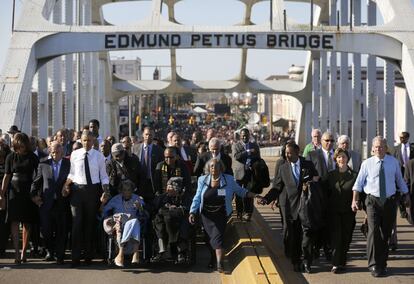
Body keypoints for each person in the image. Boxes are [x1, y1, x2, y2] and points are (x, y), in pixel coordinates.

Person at [189, 158, 263, 272]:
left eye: (216, 166)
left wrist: (255, 196)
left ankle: (219, 263)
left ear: (221, 168)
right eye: (212, 166)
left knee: (217, 238)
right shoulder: (202, 180)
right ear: (208, 168)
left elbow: (241, 191)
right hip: (206, 215)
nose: (214, 168)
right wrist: (192, 211)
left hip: (221, 214)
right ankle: (213, 258)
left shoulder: (228, 179)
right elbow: (198, 197)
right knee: (208, 240)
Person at [352, 136, 410, 277]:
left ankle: (382, 263)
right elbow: (358, 184)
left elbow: (399, 180)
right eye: (376, 147)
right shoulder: (367, 164)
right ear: (372, 149)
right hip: (372, 201)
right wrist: (355, 200)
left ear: (386, 148)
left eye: (381, 146)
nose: (378, 149)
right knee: (373, 232)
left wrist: (406, 194)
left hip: (389, 201)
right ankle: (373, 264)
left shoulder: (393, 162)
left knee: (385, 233)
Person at [259, 142, 318, 273]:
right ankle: (296, 261)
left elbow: (317, 179)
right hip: (291, 209)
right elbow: (277, 187)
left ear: (297, 152)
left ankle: (307, 262)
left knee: (307, 237)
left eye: (289, 153)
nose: (287, 155)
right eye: (286, 153)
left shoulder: (307, 165)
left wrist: (311, 183)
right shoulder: (283, 168)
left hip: (307, 207)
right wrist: (267, 199)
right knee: (294, 237)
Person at [62, 130, 110, 267]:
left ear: (93, 140)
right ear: (81, 141)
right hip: (77, 191)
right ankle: (75, 258)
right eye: (84, 140)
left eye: (89, 140)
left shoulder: (99, 156)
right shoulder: (75, 155)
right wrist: (66, 185)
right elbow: (71, 173)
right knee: (76, 223)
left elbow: (104, 176)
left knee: (89, 224)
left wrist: (105, 191)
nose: (86, 143)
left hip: (93, 192)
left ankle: (88, 256)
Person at [0, 133, 39, 264]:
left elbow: (38, 176)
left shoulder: (33, 157)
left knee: (27, 222)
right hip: (13, 192)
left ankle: (24, 252)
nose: (21, 147)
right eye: (18, 145)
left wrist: (36, 193)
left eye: (23, 144)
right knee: (14, 222)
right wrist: (2, 193)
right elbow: (7, 176)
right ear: (15, 144)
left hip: (29, 191)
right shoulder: (10, 157)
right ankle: (16, 252)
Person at [30, 142, 70, 264]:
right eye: (52, 152)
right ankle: (50, 252)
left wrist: (68, 189)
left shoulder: (68, 164)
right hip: (46, 202)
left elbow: (73, 179)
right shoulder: (43, 163)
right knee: (46, 230)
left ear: (62, 152)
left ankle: (60, 254)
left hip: (62, 202)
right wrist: (33, 196)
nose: (54, 154)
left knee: (61, 230)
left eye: (57, 152)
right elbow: (36, 182)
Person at [321, 148, 357, 273]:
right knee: (336, 238)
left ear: (348, 159)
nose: (341, 159)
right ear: (335, 159)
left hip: (348, 212)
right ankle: (336, 264)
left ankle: (342, 261)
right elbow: (323, 192)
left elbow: (359, 193)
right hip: (333, 212)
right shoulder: (330, 175)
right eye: (339, 157)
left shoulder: (354, 175)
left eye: (344, 157)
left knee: (346, 238)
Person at [102, 179, 145, 267]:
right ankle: (135, 253)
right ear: (121, 190)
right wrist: (103, 203)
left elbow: (144, 214)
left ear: (132, 190)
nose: (126, 192)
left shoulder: (137, 198)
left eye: (129, 190)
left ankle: (121, 252)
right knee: (131, 221)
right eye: (124, 190)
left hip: (131, 225)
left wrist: (140, 208)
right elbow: (104, 212)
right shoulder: (115, 199)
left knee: (134, 221)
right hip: (119, 223)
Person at [152, 177, 191, 264]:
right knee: (158, 220)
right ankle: (161, 250)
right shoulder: (162, 197)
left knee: (182, 223)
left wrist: (176, 209)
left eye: (170, 187)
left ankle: (181, 252)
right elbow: (155, 208)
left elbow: (186, 209)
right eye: (167, 186)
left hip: (179, 220)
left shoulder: (184, 197)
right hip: (164, 222)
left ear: (177, 189)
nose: (168, 189)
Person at [232, 128, 261, 221]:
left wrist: (255, 166)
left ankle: (248, 213)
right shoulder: (235, 145)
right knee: (239, 195)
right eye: (243, 135)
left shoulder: (255, 145)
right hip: (239, 174)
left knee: (249, 193)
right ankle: (239, 212)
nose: (244, 137)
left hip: (250, 173)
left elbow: (258, 158)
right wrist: (248, 152)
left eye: (246, 135)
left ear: (249, 135)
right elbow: (236, 156)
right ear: (240, 136)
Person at [136, 127, 164, 202]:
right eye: (146, 134)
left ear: (153, 136)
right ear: (143, 135)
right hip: (139, 182)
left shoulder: (159, 150)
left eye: (150, 135)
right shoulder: (135, 148)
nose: (148, 136)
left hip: (152, 183)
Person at [0, 142, 11, 257]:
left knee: (4, 222)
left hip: (6, 195)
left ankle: (2, 248)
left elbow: (9, 177)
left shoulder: (8, 161)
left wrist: (2, 194)